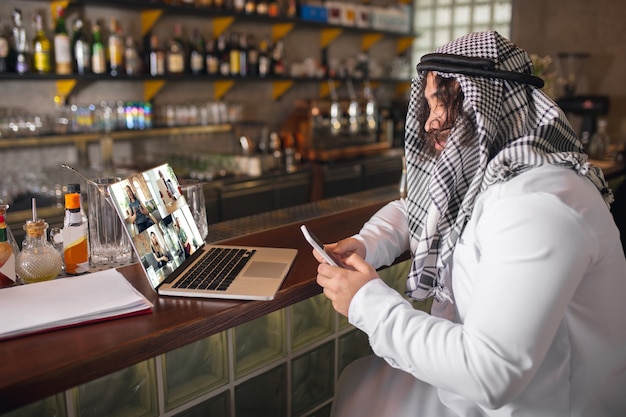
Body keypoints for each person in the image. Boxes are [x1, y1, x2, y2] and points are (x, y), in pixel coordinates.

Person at [313, 31, 626, 417]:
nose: (428, 125)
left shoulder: (536, 206)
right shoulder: (496, 172)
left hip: (543, 406)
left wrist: (365, 302)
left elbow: (490, 373)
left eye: (437, 107)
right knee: (358, 383)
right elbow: (418, 208)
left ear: (482, 106)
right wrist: (366, 243)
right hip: (487, 395)